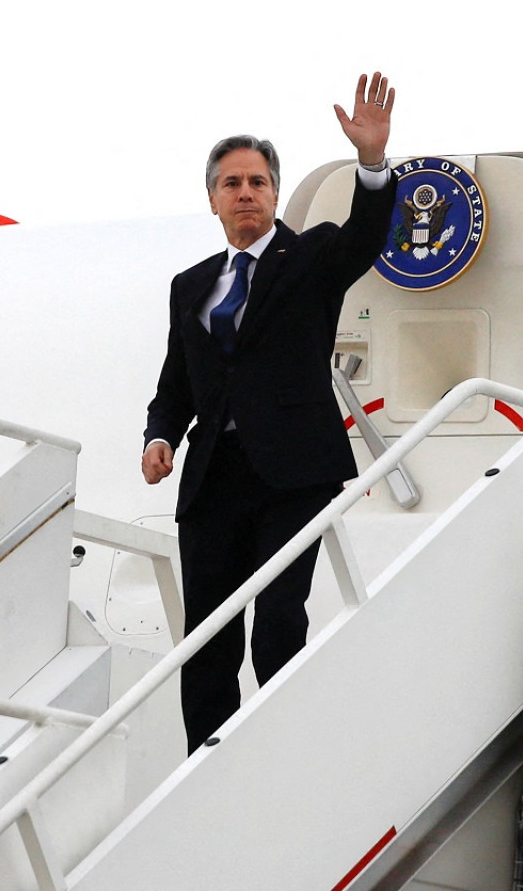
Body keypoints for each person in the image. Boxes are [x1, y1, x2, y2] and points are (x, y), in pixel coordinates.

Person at [141, 72, 398, 753]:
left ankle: (278, 752)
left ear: (275, 193)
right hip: (214, 479)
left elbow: (367, 236)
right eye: (232, 183)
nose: (246, 192)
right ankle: (208, 764)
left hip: (291, 473)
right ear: (213, 199)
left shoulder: (309, 257)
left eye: (257, 181)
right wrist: (161, 434)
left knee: (279, 620)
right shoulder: (191, 285)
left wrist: (372, 163)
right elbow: (177, 383)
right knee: (207, 637)